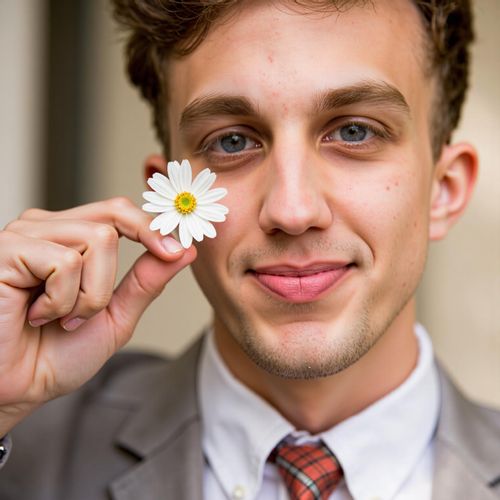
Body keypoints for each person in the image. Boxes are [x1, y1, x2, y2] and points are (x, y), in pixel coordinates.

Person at [0, 0, 498, 499]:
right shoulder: (23, 441)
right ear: (171, 200)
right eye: (232, 141)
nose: (292, 210)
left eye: (355, 131)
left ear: (444, 188)